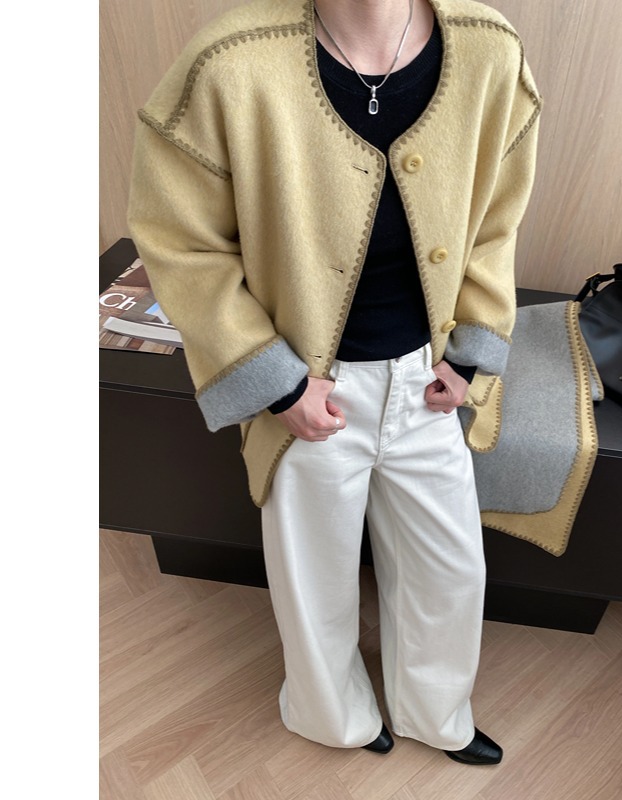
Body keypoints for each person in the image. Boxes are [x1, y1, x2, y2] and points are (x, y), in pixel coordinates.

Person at [127, 0, 540, 766]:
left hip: (428, 381)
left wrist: (472, 351)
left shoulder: (490, 50)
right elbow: (178, 239)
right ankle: (329, 716)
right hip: (308, 388)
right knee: (311, 578)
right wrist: (277, 384)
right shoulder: (229, 62)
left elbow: (496, 221)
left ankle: (437, 714)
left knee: (450, 572)